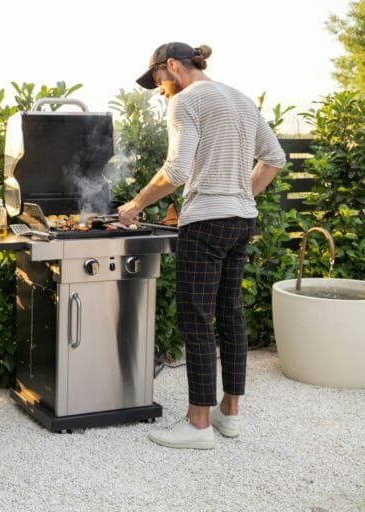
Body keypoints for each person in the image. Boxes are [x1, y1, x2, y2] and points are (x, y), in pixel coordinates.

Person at [117, 42, 286, 449]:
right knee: (230, 314)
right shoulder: (241, 100)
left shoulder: (186, 101)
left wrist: (135, 205)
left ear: (172, 66)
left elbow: (176, 170)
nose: (160, 91)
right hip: (242, 220)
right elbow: (274, 157)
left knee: (196, 318)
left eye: (158, 80)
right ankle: (230, 414)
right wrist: (238, 195)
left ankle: (197, 425)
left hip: (206, 223)